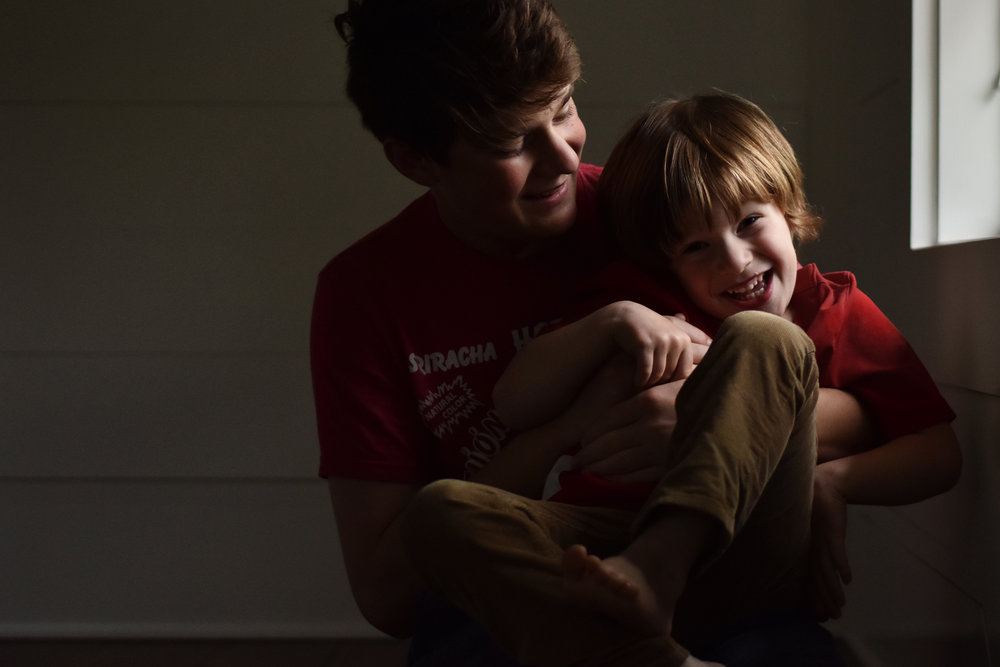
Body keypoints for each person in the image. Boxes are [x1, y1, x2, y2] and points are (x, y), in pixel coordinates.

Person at [313, 1, 874, 664]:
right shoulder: (365, 292)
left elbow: (849, 399)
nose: (561, 156)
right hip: (523, 594)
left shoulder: (661, 211)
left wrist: (705, 424)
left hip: (722, 572)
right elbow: (388, 594)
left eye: (563, 110)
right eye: (509, 143)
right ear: (416, 161)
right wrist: (570, 428)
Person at [493, 92, 962, 627]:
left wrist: (831, 481)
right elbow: (514, 402)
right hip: (601, 535)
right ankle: (634, 635)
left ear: (787, 210)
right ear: (665, 263)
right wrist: (614, 318)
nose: (735, 261)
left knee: (761, 336)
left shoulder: (838, 312)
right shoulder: (648, 306)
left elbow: (938, 453)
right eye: (695, 247)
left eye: (749, 222)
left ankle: (658, 571)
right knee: (447, 513)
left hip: (743, 548)